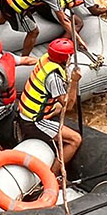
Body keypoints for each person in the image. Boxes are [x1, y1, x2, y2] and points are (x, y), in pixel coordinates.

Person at [14, 37, 81, 173]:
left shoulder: (46, 58)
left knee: (56, 107)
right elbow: (68, 106)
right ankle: (54, 174)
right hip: (33, 121)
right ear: (65, 58)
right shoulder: (53, 77)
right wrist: (74, 82)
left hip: (27, 110)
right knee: (75, 139)